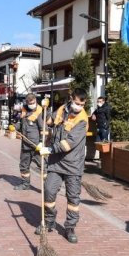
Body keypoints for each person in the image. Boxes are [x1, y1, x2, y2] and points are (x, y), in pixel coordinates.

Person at [35, 88, 89, 243]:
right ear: (71, 99)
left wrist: (49, 149)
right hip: (56, 163)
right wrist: (44, 110)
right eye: (77, 103)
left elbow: (68, 144)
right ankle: (49, 221)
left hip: (73, 164)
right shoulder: (62, 110)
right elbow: (49, 121)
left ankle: (70, 227)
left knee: (73, 198)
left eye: (82, 104)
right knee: (49, 191)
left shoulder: (82, 120)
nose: (79, 106)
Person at [10, 93, 45, 191]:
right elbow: (21, 124)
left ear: (36, 101)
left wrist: (41, 142)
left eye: (33, 102)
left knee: (43, 165)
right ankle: (26, 184)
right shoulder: (24, 110)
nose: (32, 104)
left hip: (36, 145)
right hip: (25, 144)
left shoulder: (39, 112)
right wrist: (15, 127)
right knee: (24, 165)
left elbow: (43, 129)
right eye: (30, 103)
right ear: (26, 102)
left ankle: (49, 187)